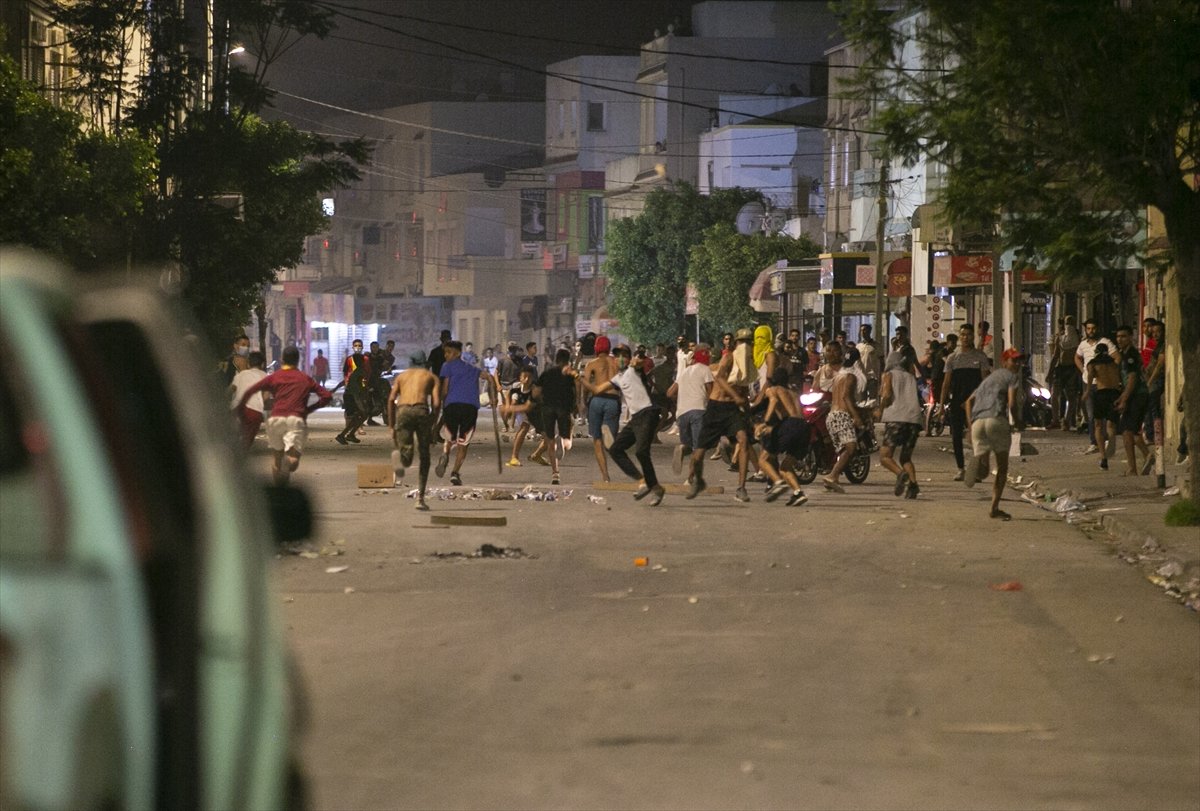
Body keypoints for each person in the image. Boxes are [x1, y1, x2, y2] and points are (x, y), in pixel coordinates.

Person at [236, 345, 331, 485]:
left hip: (275, 419)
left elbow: (250, 391)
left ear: (282, 359)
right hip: (295, 419)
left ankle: (280, 491)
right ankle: (288, 461)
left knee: (276, 459)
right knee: (293, 461)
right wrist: (309, 409)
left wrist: (240, 409)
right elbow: (327, 396)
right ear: (298, 360)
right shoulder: (304, 378)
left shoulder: (275, 377)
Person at [686, 327, 756, 503]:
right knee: (701, 449)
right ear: (736, 343)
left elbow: (744, 386)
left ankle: (741, 488)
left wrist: (745, 408)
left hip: (733, 409)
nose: (745, 345)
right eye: (742, 342)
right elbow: (720, 379)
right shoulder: (729, 357)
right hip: (717, 407)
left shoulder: (747, 361)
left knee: (743, 440)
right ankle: (691, 477)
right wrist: (735, 396)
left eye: (748, 342)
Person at [588, 345, 664, 505]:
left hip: (648, 413)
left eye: (624, 356)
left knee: (641, 451)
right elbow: (596, 390)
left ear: (629, 358)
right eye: (617, 356)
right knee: (615, 449)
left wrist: (637, 360)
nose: (620, 359)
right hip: (636, 418)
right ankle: (647, 483)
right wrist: (576, 376)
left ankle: (653, 487)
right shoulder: (618, 378)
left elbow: (639, 362)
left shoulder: (634, 369)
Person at [963, 347, 1025, 520]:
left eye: (1020, 361)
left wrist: (969, 426)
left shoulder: (988, 379)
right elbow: (1012, 404)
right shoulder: (1012, 377)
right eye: (1014, 360)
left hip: (977, 424)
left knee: (984, 472)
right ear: (1004, 362)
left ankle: (978, 464)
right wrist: (1018, 422)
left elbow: (968, 402)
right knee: (1002, 468)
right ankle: (994, 507)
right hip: (996, 420)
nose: (1018, 364)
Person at [504, 349, 578, 485]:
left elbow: (537, 392)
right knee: (566, 441)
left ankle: (555, 473)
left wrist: (532, 402)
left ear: (556, 360)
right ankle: (563, 440)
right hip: (563, 410)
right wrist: (577, 404)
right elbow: (576, 390)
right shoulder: (570, 374)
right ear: (568, 361)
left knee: (550, 441)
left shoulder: (547, 373)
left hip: (548, 409)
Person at [386, 353, 441, 510]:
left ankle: (403, 458)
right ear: (425, 363)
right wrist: (433, 425)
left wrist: (391, 426)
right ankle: (421, 499)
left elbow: (391, 400)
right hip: (421, 410)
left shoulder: (402, 376)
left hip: (403, 411)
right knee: (424, 456)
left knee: (407, 457)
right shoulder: (431, 376)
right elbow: (436, 403)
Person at [434, 341, 492, 486]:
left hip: (452, 406)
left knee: (449, 437)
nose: (446, 355)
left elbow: (445, 389)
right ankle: (455, 472)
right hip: (470, 408)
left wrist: (441, 403)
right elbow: (488, 377)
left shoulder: (447, 367)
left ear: (458, 353)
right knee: (463, 442)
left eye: (449, 352)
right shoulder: (472, 368)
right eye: (445, 353)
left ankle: (445, 454)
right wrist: (494, 396)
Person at [752, 368, 810, 506]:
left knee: (763, 459)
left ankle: (777, 483)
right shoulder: (794, 393)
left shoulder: (774, 389)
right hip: (804, 427)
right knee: (785, 466)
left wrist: (764, 423)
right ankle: (798, 493)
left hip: (790, 424)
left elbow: (773, 402)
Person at [941, 324, 991, 480]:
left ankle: (976, 469)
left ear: (972, 336)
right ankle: (961, 468)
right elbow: (946, 383)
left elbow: (985, 380)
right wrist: (941, 405)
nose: (965, 337)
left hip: (976, 403)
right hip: (957, 402)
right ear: (959, 336)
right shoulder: (952, 358)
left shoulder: (980, 356)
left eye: (969, 335)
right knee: (956, 436)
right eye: (963, 334)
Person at [878, 344, 923, 499]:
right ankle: (913, 485)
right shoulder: (910, 376)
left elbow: (887, 394)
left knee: (885, 456)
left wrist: (880, 407)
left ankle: (901, 474)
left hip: (896, 418)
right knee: (905, 457)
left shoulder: (889, 375)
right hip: (914, 420)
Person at [820, 346, 865, 494]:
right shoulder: (850, 377)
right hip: (841, 415)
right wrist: (856, 416)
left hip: (831, 416)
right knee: (851, 447)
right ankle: (833, 475)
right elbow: (846, 397)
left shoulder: (838, 376)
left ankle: (834, 479)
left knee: (843, 449)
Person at [667, 343, 714, 476]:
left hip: (682, 413)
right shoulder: (706, 370)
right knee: (698, 448)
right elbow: (711, 393)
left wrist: (683, 395)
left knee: (687, 444)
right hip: (698, 410)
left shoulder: (685, 372)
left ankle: (682, 448)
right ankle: (691, 478)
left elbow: (669, 393)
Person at [1113, 324, 1152, 475]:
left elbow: (1132, 379)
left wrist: (1124, 399)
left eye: (1123, 336)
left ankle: (1133, 467)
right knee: (1132, 430)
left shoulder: (1130, 355)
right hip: (1136, 395)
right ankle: (1145, 458)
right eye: (1118, 336)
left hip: (1137, 396)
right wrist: (1122, 397)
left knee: (1127, 430)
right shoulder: (1124, 354)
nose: (1120, 339)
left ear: (1130, 337)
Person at [1074, 319, 1117, 454]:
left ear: (1097, 329)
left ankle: (1105, 441)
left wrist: (1107, 373)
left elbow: (1117, 358)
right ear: (1085, 330)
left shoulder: (1105, 342)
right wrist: (1083, 370)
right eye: (1088, 329)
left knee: (1104, 416)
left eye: (1093, 328)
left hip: (1102, 385)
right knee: (1091, 415)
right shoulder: (1082, 345)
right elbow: (1077, 357)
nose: (1091, 331)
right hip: (1088, 383)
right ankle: (1094, 442)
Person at [582, 335, 621, 482]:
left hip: (596, 401)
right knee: (611, 442)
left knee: (596, 440)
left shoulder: (591, 364)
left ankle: (605, 476)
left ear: (596, 347)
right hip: (613, 400)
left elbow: (585, 384)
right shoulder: (616, 362)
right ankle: (608, 439)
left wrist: (582, 402)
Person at [1084, 343, 1121, 471]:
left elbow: (1090, 376)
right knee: (1111, 424)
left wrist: (1088, 391)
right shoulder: (1114, 363)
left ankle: (1103, 456)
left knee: (1098, 425)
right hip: (1115, 393)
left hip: (1102, 393)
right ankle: (1111, 441)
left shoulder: (1093, 363)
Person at [229, 350, 268, 450]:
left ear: (248, 363)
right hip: (254, 411)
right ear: (262, 364)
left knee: (234, 433)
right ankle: (241, 454)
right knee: (247, 439)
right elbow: (266, 396)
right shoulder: (265, 376)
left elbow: (230, 390)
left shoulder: (240, 375)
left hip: (237, 409)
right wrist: (259, 402)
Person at [335, 339, 371, 445]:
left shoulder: (363, 364)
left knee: (359, 415)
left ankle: (348, 434)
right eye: (356, 345)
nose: (357, 347)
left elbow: (365, 379)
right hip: (354, 396)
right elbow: (352, 383)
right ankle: (347, 434)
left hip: (355, 394)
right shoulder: (355, 370)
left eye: (359, 345)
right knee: (361, 414)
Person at [504, 368, 542, 467]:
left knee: (548, 436)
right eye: (524, 376)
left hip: (536, 413)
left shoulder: (535, 389)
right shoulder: (516, 387)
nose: (526, 379)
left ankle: (537, 454)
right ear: (520, 378)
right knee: (524, 428)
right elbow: (509, 395)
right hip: (525, 413)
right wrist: (508, 407)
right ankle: (514, 457)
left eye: (529, 377)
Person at [1049, 316, 1081, 430]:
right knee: (1054, 395)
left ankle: (1067, 420)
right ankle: (1055, 420)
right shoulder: (1060, 338)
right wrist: (1050, 371)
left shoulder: (1078, 338)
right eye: (1067, 322)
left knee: (1071, 396)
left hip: (1072, 369)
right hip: (1061, 369)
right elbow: (1056, 355)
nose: (1069, 325)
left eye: (1070, 322)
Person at [857, 323, 884, 400]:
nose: (863, 332)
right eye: (861, 330)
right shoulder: (858, 346)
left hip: (872, 377)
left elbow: (882, 362)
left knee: (873, 400)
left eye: (865, 330)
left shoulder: (877, 346)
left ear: (869, 331)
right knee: (862, 400)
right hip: (861, 377)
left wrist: (882, 376)